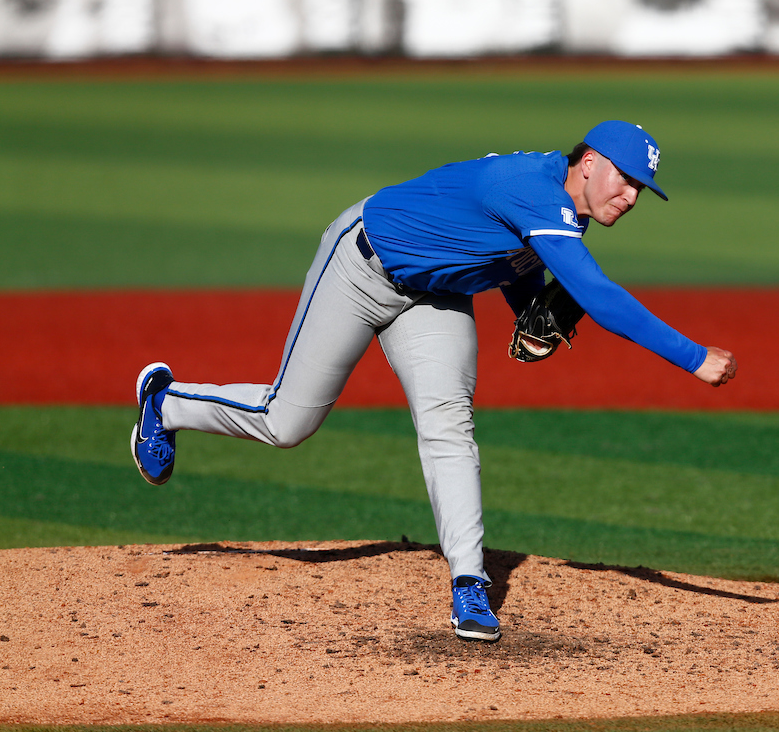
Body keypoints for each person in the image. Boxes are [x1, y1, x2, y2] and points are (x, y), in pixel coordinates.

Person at [130, 120, 738, 642]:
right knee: (287, 422)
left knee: (450, 424)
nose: (631, 196)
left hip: (435, 299)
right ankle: (166, 402)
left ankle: (469, 583)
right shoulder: (534, 190)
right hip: (361, 267)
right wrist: (692, 357)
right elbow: (599, 300)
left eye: (640, 188)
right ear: (591, 164)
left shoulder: (561, 202)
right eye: (626, 180)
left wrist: (527, 308)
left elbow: (508, 257)